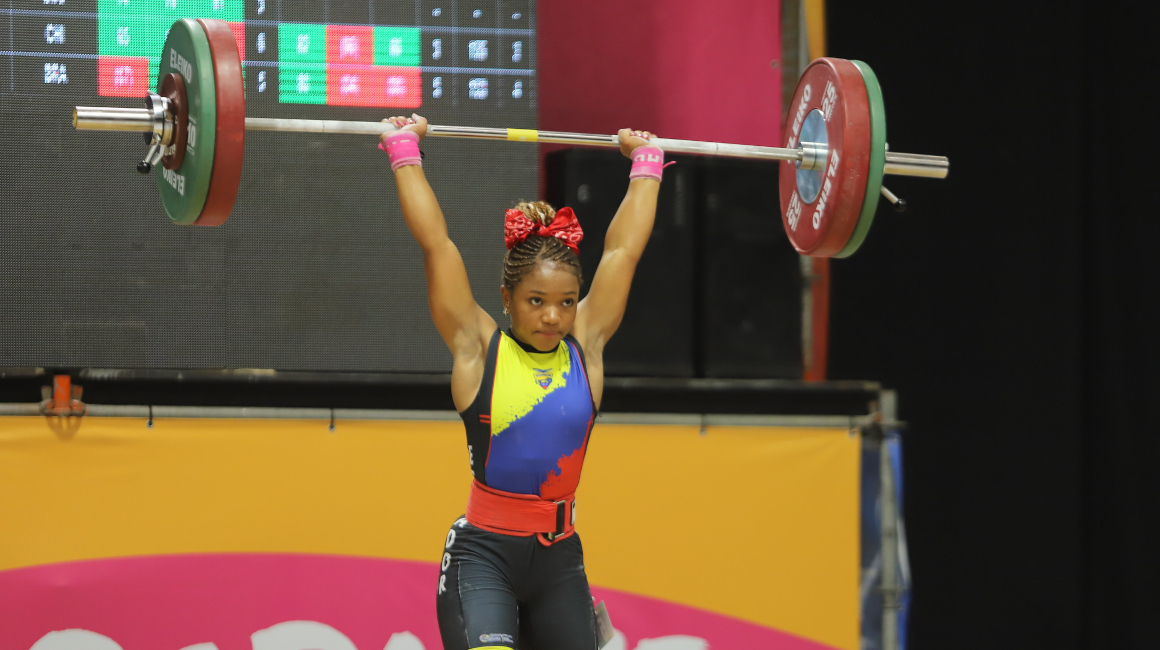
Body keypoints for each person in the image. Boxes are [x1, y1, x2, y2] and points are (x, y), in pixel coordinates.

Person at [381, 113, 666, 650]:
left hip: (559, 558)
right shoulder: (478, 349)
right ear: (507, 298)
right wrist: (403, 151)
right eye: (536, 302)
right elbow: (437, 245)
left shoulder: (586, 349)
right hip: (484, 555)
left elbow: (624, 252)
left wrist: (646, 164)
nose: (553, 317)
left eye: (564, 303)